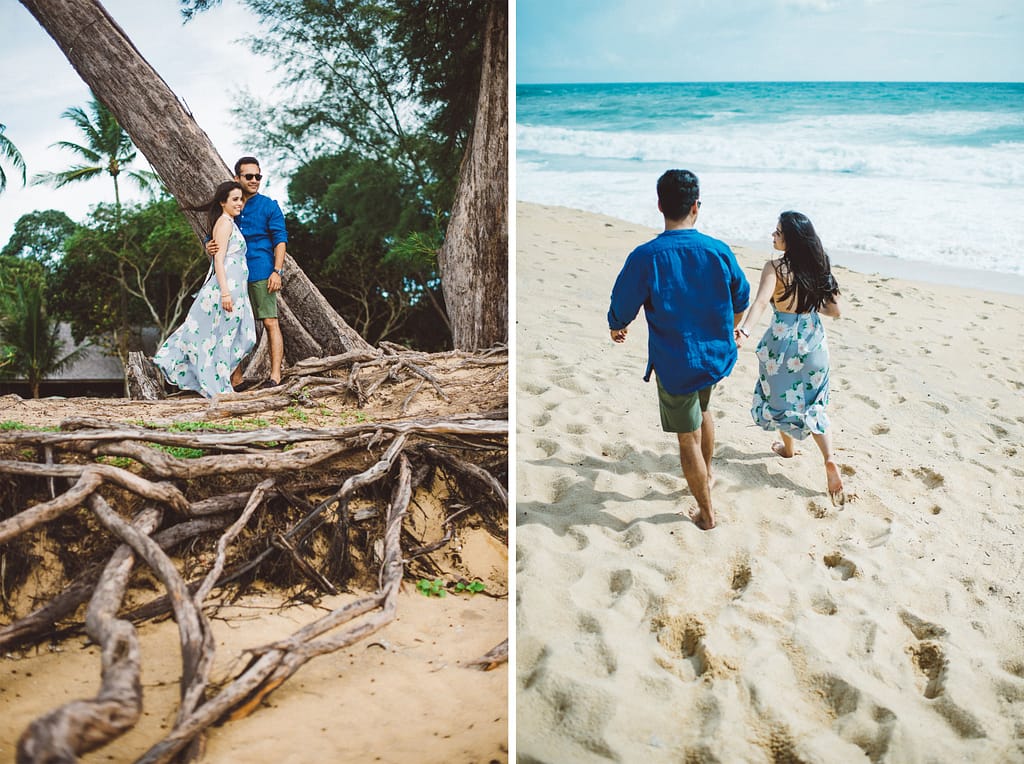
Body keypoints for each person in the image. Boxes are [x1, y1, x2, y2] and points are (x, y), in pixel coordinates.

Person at [608, 169, 751, 530]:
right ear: (696, 207)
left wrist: (617, 325)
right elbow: (742, 296)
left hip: (675, 362)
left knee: (687, 434)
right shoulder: (717, 250)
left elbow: (623, 305)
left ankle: (706, 512)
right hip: (715, 356)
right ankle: (709, 473)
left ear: (660, 205)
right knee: (703, 410)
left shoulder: (646, 256)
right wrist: (732, 328)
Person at [734, 211, 845, 504]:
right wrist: (808, 303)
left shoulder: (775, 267)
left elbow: (759, 303)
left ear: (791, 239)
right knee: (813, 403)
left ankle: (788, 448)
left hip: (781, 343)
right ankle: (829, 458)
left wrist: (744, 331)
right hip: (813, 343)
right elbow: (835, 311)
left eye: (778, 232)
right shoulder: (819, 266)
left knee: (778, 399)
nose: (773, 236)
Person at [154, 181, 257, 398]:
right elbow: (219, 260)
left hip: (236, 289)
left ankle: (220, 379)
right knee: (220, 337)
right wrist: (226, 292)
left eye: (241, 199)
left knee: (241, 336)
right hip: (226, 288)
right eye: (235, 199)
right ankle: (217, 384)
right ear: (223, 202)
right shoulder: (225, 223)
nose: (240, 203)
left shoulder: (229, 222)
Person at [208, 156, 289, 388]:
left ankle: (275, 376)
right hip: (233, 277)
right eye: (249, 176)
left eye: (258, 176)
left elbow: (280, 240)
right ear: (237, 178)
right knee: (232, 323)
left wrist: (277, 271)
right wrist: (208, 244)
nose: (254, 180)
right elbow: (214, 234)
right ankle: (236, 378)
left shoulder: (268, 206)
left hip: (261, 272)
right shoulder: (231, 204)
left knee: (270, 322)